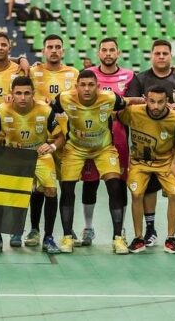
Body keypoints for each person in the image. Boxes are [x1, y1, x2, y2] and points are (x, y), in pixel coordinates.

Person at [50, 69, 136, 254]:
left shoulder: (110, 98)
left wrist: (143, 100)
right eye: (83, 85)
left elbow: (127, 103)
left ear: (98, 86)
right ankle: (67, 237)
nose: (87, 89)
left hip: (103, 148)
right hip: (75, 148)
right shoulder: (64, 98)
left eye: (91, 85)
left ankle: (118, 238)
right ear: (76, 87)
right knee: (67, 189)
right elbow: (47, 107)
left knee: (115, 186)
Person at [126, 39, 175, 248]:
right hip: (148, 145)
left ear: (170, 56)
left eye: (165, 53)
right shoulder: (141, 78)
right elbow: (129, 101)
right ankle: (149, 230)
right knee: (147, 190)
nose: (162, 56)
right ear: (152, 55)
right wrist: (153, 102)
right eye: (158, 53)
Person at [0, 76, 65, 254]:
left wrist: (52, 146)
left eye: (26, 93)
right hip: (12, 155)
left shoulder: (45, 110)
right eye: (18, 93)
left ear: (33, 94)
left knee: (51, 190)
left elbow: (60, 136)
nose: (22, 97)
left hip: (39, 155)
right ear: (11, 94)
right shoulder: (1, 111)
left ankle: (48, 237)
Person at [79, 37, 135, 247]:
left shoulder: (129, 76)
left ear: (118, 53)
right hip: (91, 140)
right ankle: (88, 227)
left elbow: (135, 102)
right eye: (104, 50)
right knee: (89, 184)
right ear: (98, 53)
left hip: (119, 141)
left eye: (112, 50)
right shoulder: (88, 75)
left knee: (119, 186)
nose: (108, 54)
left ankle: (120, 231)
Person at [118, 86, 175, 254]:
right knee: (136, 194)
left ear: (167, 102)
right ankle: (138, 238)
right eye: (152, 102)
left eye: (160, 102)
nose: (156, 107)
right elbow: (116, 110)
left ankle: (171, 239)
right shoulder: (134, 111)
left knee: (174, 193)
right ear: (146, 100)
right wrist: (135, 100)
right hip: (139, 162)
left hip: (165, 162)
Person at [27, 34, 78, 247]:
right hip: (41, 138)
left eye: (58, 47)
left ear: (63, 51)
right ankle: (35, 229)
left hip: (66, 138)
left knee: (67, 186)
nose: (54, 50)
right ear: (43, 51)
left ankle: (68, 229)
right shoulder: (33, 71)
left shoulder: (73, 74)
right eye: (50, 47)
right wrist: (23, 60)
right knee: (40, 186)